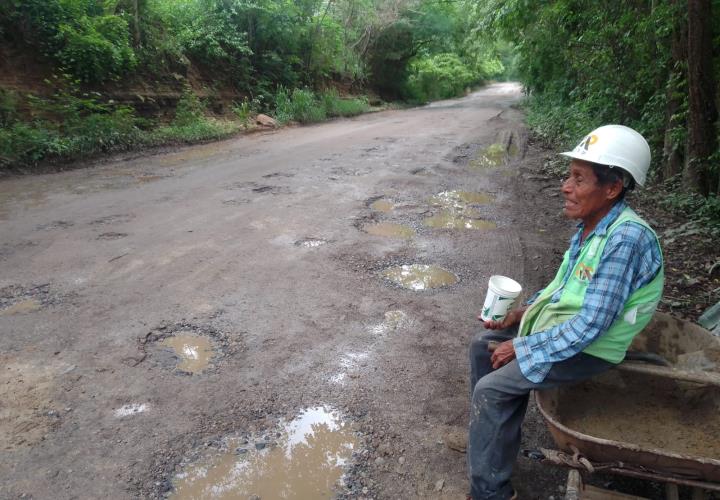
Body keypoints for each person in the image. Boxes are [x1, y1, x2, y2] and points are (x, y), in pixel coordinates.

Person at [467, 125, 664, 500]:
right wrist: (521, 314)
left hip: (591, 348)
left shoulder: (625, 238)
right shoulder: (592, 226)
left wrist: (521, 348)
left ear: (613, 187)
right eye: (568, 175)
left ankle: (489, 492)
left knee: (492, 389)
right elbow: (562, 291)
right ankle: (490, 447)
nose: (565, 186)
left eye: (578, 178)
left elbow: (592, 325)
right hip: (563, 329)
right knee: (482, 346)